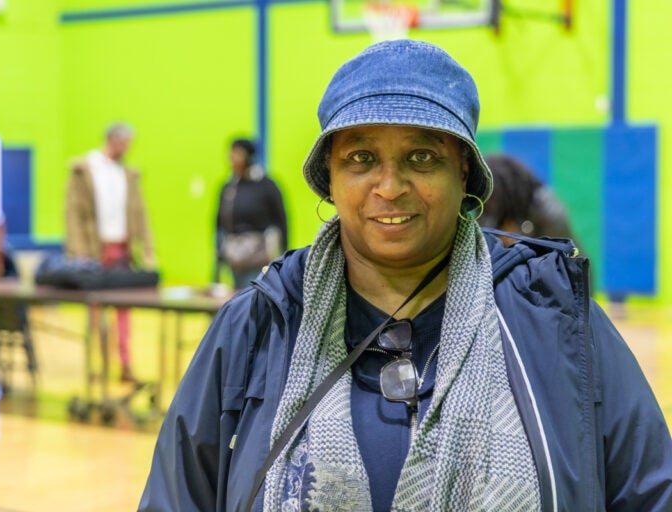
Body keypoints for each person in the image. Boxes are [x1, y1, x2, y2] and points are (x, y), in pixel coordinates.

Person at [138, 40, 672, 511]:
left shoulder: (553, 319)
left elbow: (653, 492)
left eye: (421, 156)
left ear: (462, 169)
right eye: (362, 157)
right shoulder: (258, 325)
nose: (390, 186)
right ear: (331, 178)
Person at [65, 122, 154, 383]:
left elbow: (139, 212)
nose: (127, 149)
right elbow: (73, 213)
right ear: (113, 140)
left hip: (123, 251)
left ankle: (125, 364)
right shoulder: (85, 169)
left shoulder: (128, 173)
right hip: (94, 251)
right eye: (125, 143)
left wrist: (146, 246)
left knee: (124, 313)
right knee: (96, 314)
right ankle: (98, 365)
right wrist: (78, 250)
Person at [215, 138, 287, 289]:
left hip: (259, 258)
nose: (232, 159)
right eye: (231, 154)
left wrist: (284, 259)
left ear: (248, 157)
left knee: (254, 297)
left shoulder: (266, 186)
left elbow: (282, 222)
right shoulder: (229, 188)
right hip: (234, 258)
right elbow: (219, 225)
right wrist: (218, 262)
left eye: (237, 154)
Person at [479, 153, 577, 247]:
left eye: (492, 198)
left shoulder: (548, 211)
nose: (488, 203)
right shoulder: (489, 212)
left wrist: (517, 242)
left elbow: (563, 259)